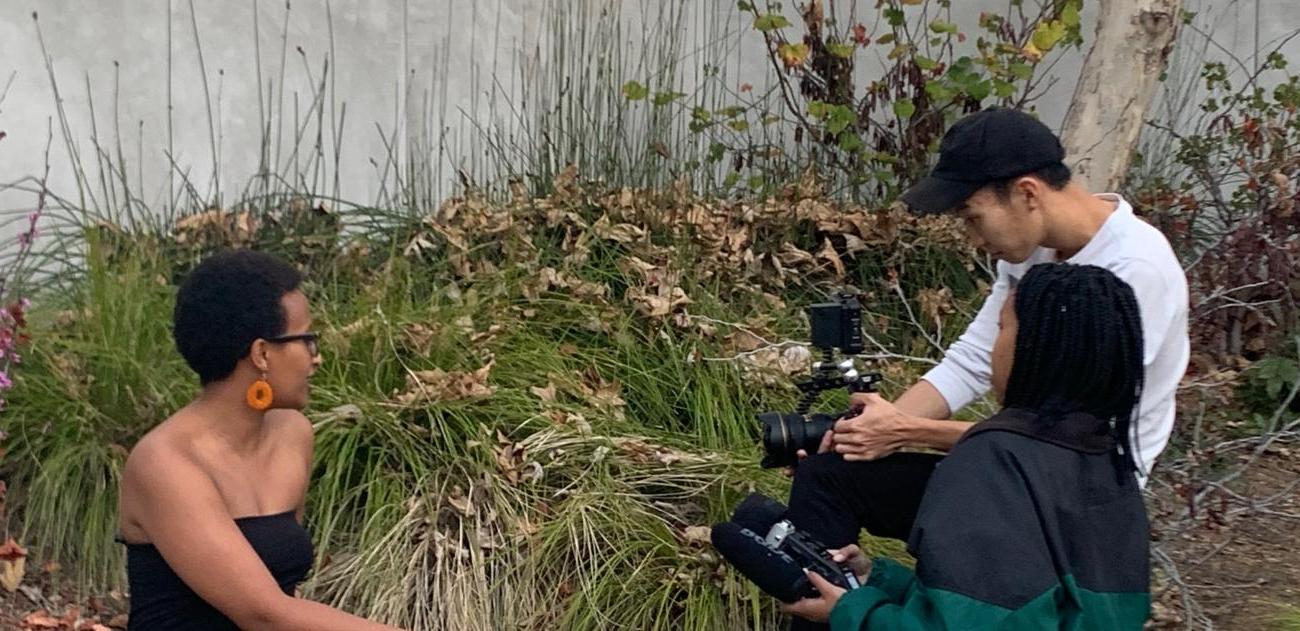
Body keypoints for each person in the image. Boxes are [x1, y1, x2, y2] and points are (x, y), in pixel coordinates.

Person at [783, 107, 1188, 553]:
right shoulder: (1034, 251)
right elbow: (974, 360)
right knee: (829, 474)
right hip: (1018, 467)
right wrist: (869, 433)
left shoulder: (1135, 271)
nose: (973, 239)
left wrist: (909, 431)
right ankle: (828, 604)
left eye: (972, 218)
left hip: (1082, 500)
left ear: (1027, 194)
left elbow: (1075, 439)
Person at [784, 263, 1152, 629]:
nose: (994, 348)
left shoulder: (994, 462)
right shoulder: (1112, 468)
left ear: (1032, 347)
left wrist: (851, 612)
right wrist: (878, 581)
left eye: (1003, 329)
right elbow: (1024, 613)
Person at [116, 250, 402, 630]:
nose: (316, 358)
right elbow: (264, 613)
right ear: (262, 353)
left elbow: (284, 595)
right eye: (308, 340)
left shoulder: (293, 434)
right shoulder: (164, 464)